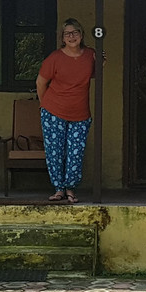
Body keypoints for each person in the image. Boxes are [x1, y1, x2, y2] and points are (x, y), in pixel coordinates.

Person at [36, 18, 97, 204]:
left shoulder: (90, 55)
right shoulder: (54, 58)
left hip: (80, 113)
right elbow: (40, 82)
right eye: (67, 33)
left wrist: (101, 60)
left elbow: (97, 71)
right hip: (53, 111)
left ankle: (71, 189)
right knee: (55, 151)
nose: (72, 36)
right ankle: (59, 189)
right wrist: (45, 104)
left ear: (82, 35)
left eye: (75, 32)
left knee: (75, 152)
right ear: (62, 38)